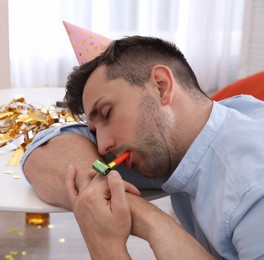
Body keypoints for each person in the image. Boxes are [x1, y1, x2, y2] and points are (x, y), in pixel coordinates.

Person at [21, 36, 264, 259]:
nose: (103, 146)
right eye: (95, 131)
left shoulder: (252, 192)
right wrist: (147, 217)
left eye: (107, 113)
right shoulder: (179, 141)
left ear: (161, 86)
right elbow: (44, 150)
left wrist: (106, 245)